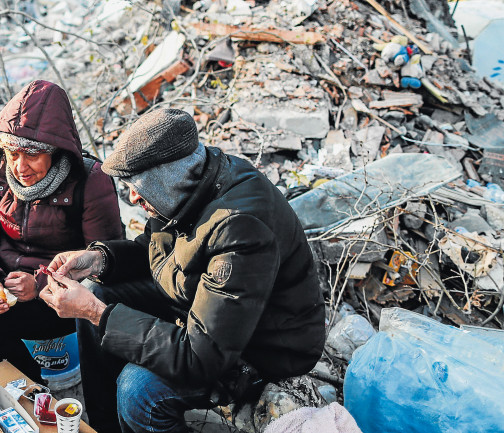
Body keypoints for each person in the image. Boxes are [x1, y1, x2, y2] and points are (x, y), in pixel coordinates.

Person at [39, 109, 326, 433]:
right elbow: (156, 247)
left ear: (167, 178)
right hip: (207, 307)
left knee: (138, 390)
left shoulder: (241, 228)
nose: (133, 197)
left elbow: (201, 357)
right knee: (100, 291)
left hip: (264, 347)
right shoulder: (191, 184)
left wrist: (97, 314)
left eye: (138, 186)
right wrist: (98, 260)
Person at [0, 80, 123, 383]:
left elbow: (104, 262)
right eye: (12, 153)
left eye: (31, 154)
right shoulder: (0, 174)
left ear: (56, 151)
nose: (20, 167)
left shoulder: (90, 181)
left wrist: (40, 282)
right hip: (6, 281)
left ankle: (32, 382)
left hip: (59, 296)